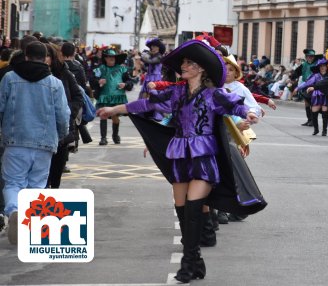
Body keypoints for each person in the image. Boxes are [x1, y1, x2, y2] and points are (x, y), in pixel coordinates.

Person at [97, 39, 260, 283]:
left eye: (188, 63)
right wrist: (115, 110)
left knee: (194, 208)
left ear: (201, 69)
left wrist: (248, 113)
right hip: (179, 155)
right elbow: (146, 104)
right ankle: (196, 261)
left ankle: (187, 264)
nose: (183, 66)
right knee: (183, 211)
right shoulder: (176, 92)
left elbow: (234, 106)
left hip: (203, 156)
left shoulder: (214, 93)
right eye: (182, 62)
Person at [0, 42, 70, 244]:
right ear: (45, 58)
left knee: (13, 182)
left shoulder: (9, 79)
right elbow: (63, 115)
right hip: (44, 144)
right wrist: (61, 135)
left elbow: (1, 107)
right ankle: (29, 227)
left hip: (15, 141)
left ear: (26, 56)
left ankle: (13, 210)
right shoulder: (54, 83)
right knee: (36, 186)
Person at [45, 43, 84, 189]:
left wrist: (68, 113)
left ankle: (51, 205)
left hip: (61, 131)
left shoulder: (64, 73)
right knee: (41, 176)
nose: (45, 59)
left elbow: (78, 97)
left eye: (48, 55)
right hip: (40, 132)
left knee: (56, 173)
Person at [91, 48, 134, 145]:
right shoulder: (100, 69)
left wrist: (125, 84)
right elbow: (92, 80)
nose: (111, 58)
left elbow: (130, 81)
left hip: (118, 96)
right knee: (103, 115)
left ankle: (115, 135)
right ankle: (103, 138)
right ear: (105, 58)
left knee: (115, 117)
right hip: (104, 96)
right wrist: (98, 82)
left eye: (113, 57)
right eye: (109, 57)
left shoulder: (122, 69)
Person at [297, 58, 328, 136]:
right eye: (321, 66)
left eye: (324, 66)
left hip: (325, 96)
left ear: (327, 67)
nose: (322, 67)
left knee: (325, 114)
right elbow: (306, 83)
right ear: (319, 67)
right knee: (314, 113)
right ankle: (316, 129)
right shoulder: (316, 76)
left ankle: (324, 131)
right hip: (316, 96)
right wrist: (297, 88)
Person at [294, 49, 321, 126]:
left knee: (312, 102)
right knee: (306, 103)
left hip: (313, 85)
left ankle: (313, 120)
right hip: (305, 84)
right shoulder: (304, 64)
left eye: (312, 56)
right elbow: (298, 72)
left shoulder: (317, 64)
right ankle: (309, 119)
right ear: (306, 57)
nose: (310, 58)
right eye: (309, 56)